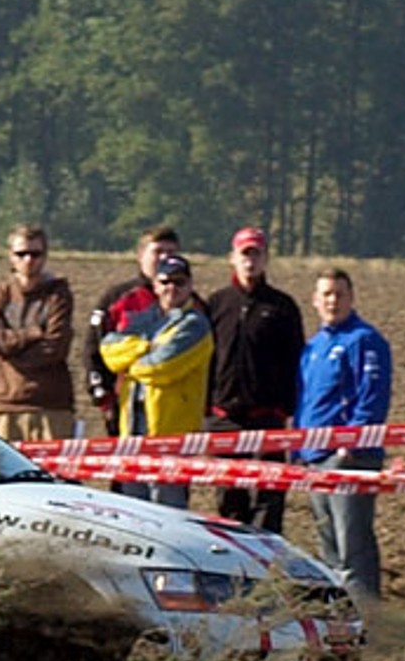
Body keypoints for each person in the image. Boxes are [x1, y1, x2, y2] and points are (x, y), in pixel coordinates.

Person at [297, 269, 393, 598]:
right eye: (326, 294)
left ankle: (367, 618)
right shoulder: (313, 346)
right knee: (329, 547)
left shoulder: (365, 340)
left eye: (339, 294)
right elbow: (306, 398)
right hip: (314, 458)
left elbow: (372, 397)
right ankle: (340, 618)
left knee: (353, 544)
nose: (332, 301)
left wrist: (349, 445)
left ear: (351, 298)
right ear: (315, 300)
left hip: (347, 458)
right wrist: (299, 445)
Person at [206, 226, 304, 532]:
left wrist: (289, 411)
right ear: (232, 258)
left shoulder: (282, 307)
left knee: (269, 498)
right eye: (245, 254)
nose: (251, 260)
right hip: (225, 418)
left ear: (266, 259)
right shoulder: (216, 304)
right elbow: (206, 360)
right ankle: (236, 570)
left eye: (256, 253)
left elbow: (296, 363)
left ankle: (265, 569)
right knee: (230, 501)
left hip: (268, 420)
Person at [102, 253, 214, 508]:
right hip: (133, 423)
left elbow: (161, 367)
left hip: (170, 432)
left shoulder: (195, 325)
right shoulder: (142, 320)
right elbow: (108, 351)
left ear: (190, 285)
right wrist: (146, 345)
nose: (171, 288)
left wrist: (131, 361)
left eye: (179, 282)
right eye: (165, 281)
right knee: (133, 504)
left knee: (167, 506)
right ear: (155, 285)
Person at [0, 224, 76, 443]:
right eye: (21, 254)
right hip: (7, 405)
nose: (28, 260)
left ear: (45, 255)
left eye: (35, 253)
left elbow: (55, 347)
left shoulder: (57, 295)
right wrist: (30, 335)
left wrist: (9, 351)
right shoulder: (3, 293)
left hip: (50, 406)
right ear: (11, 257)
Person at [85, 225, 180, 419]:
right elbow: (93, 347)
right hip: (126, 406)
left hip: (176, 409)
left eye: (170, 252)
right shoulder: (117, 298)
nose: (164, 258)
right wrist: (102, 395)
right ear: (141, 255)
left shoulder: (191, 303)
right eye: (158, 251)